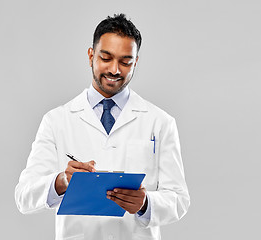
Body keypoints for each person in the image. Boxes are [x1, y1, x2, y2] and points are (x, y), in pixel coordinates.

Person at [15, 13, 190, 240]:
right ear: (91, 56)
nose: (115, 70)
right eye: (106, 58)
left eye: (125, 61)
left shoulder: (160, 122)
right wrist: (62, 181)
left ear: (135, 62)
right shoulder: (56, 120)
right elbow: (24, 196)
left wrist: (146, 203)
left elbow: (179, 199)